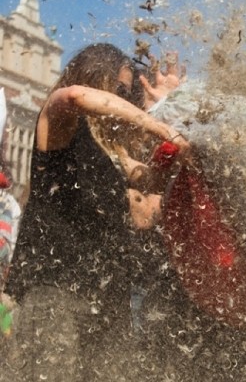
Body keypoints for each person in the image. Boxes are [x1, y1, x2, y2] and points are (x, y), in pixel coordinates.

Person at [2, 43, 189, 381]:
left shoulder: (113, 153)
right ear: (94, 76)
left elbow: (149, 193)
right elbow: (73, 95)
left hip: (108, 301)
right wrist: (156, 125)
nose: (125, 99)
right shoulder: (59, 124)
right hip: (58, 297)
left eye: (128, 92)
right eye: (119, 90)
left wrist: (169, 108)